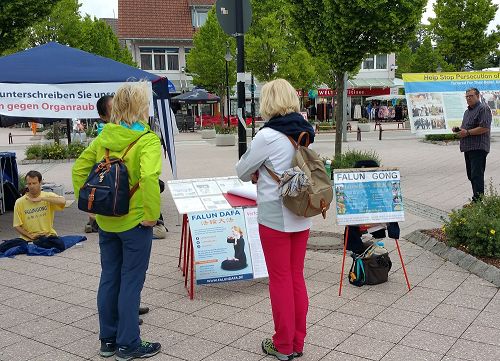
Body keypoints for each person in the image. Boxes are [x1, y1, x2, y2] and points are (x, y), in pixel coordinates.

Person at [72, 82, 162, 360]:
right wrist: (150, 216)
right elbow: (148, 178)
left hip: (107, 221)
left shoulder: (104, 137)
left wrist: (91, 208)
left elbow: (79, 170)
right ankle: (128, 344)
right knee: (131, 281)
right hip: (134, 223)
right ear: (140, 107)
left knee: (109, 278)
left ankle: (108, 341)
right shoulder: (147, 140)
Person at [236, 78, 315, 361]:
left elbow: (242, 171)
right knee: (296, 276)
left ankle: (282, 345)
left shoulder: (267, 135)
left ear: (268, 102)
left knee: (279, 278)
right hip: (302, 213)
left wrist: (258, 170)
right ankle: (297, 341)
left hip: (274, 215)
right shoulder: (306, 130)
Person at [0, 171, 66, 253]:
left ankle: (33, 244)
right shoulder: (20, 202)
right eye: (29, 184)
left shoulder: (47, 196)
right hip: (27, 237)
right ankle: (33, 243)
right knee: (4, 247)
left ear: (40, 182)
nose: (32, 186)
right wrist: (30, 236)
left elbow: (63, 201)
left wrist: (42, 199)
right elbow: (17, 225)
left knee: (60, 245)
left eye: (34, 183)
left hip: (47, 235)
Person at [455, 87, 492, 202]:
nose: (468, 98)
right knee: (471, 175)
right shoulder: (467, 111)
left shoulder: (483, 109)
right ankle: (476, 199)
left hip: (478, 147)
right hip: (468, 147)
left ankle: (478, 202)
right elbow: (466, 129)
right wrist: (459, 130)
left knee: (477, 175)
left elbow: (484, 127)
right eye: (467, 96)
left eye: (471, 96)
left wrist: (467, 132)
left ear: (478, 96)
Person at [85, 95, 114, 234]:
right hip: (130, 215)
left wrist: (89, 206)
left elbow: (79, 170)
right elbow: (148, 176)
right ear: (103, 116)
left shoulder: (99, 139)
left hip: (106, 210)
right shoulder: (141, 137)